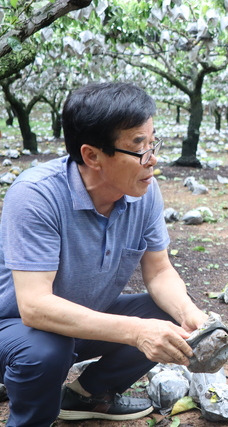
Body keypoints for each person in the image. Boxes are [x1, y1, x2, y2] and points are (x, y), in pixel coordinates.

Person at [0, 82, 210, 426]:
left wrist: (190, 313)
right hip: (14, 325)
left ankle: (89, 395)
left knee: (168, 313)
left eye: (153, 142)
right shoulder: (36, 196)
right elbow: (34, 306)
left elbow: (158, 271)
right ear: (92, 155)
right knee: (45, 352)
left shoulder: (145, 191)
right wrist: (136, 332)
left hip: (81, 319)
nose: (152, 159)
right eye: (139, 147)